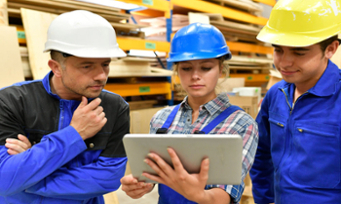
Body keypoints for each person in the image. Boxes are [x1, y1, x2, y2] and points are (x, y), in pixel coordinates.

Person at [120, 22, 259, 204]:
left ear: (221, 69)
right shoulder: (161, 120)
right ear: (177, 70)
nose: (195, 76)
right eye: (186, 68)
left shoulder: (241, 124)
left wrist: (198, 195)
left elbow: (223, 197)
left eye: (206, 67)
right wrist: (141, 185)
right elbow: (153, 176)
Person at [0, 10, 129, 204]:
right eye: (87, 66)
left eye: (105, 64)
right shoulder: (12, 101)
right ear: (56, 67)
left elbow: (108, 178)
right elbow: (4, 178)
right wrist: (75, 134)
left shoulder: (115, 107)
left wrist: (28, 176)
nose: (101, 76)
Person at [249, 0, 341, 203]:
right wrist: (265, 199)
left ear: (331, 49)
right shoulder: (276, 94)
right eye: (278, 50)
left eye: (299, 52)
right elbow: (260, 153)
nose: (284, 62)